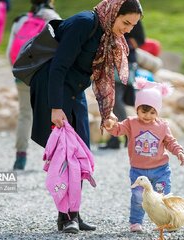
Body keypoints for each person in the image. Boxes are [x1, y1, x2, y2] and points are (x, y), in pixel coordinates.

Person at [29, 0, 143, 233]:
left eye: (133, 25)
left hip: (76, 90)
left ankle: (74, 214)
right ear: (114, 13)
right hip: (55, 89)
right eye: (126, 22)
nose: (129, 29)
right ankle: (66, 216)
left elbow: (101, 77)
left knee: (80, 152)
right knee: (65, 155)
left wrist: (107, 111)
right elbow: (59, 66)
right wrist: (55, 107)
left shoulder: (108, 33)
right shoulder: (84, 24)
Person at [103, 77, 184, 232]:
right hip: (138, 171)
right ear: (137, 109)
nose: (147, 116)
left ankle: (169, 221)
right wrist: (110, 126)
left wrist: (179, 151)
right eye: (144, 111)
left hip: (160, 170)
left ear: (157, 111)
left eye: (152, 112)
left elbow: (170, 142)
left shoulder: (162, 125)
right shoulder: (131, 123)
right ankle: (135, 223)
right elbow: (118, 130)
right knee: (137, 198)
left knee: (164, 198)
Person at [6, 0, 61, 170]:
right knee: (51, 115)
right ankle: (54, 158)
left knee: (24, 114)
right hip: (44, 76)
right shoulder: (53, 19)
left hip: (22, 74)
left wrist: (17, 71)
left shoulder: (20, 20)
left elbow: (10, 51)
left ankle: (20, 156)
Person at [99, 20, 145, 149]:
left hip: (124, 63)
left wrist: (121, 44)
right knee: (113, 101)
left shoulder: (130, 16)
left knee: (114, 101)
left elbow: (140, 40)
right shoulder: (114, 15)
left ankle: (125, 134)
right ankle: (117, 137)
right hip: (112, 62)